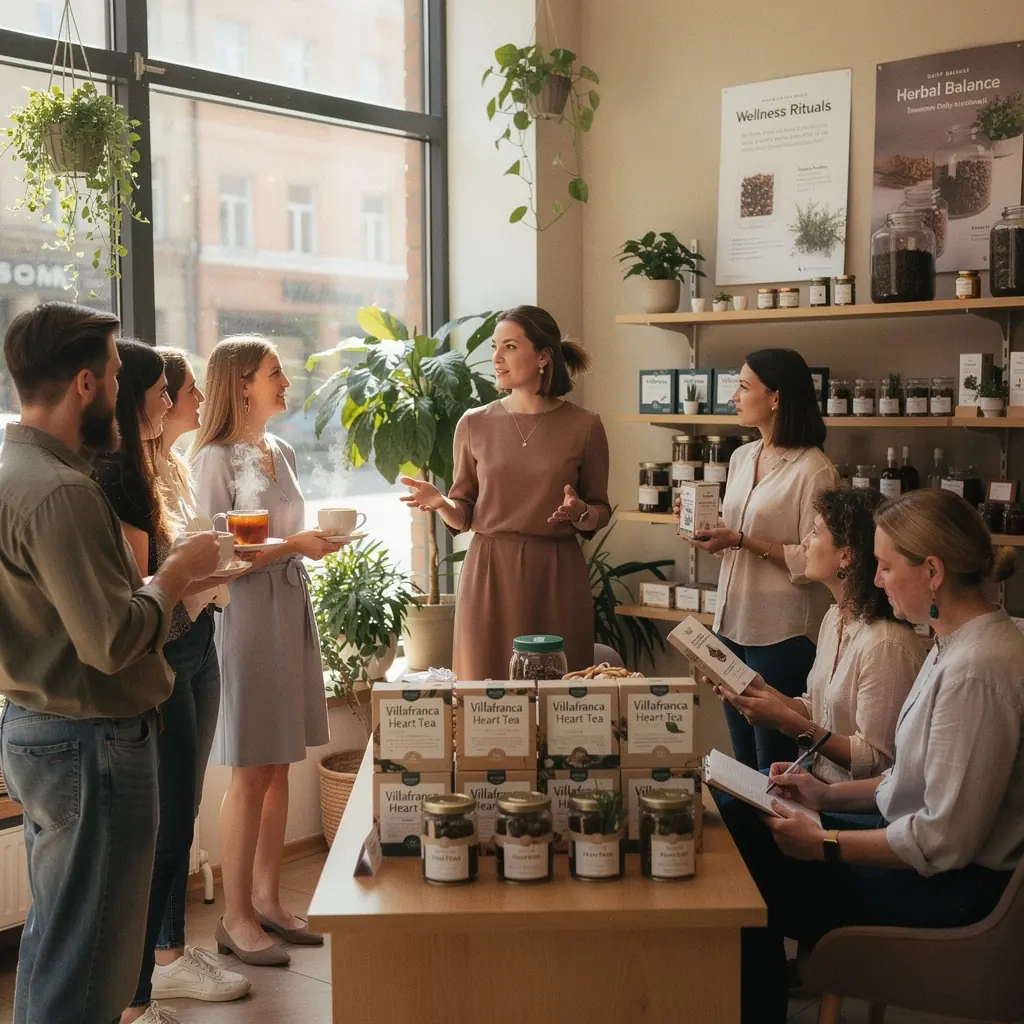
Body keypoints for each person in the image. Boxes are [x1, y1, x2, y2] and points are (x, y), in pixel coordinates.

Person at [721, 488, 1023, 1024]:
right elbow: (908, 779)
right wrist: (824, 793)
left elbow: (941, 839)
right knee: (740, 814)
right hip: (930, 868)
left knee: (745, 861)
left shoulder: (977, 669)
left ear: (932, 571)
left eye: (885, 567)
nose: (877, 580)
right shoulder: (951, 644)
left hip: (955, 894)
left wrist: (826, 843)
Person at [0, 303, 220, 1024]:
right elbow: (113, 639)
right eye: (121, 374)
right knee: (93, 965)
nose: (131, 396)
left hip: (44, 727)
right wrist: (179, 573)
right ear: (87, 385)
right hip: (90, 738)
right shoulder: (62, 491)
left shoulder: (16, 470)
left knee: (59, 943)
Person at [92, 342, 250, 1023]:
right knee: (156, 834)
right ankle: (138, 994)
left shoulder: (157, 469)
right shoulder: (115, 477)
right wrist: (191, 570)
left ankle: (156, 974)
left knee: (174, 821)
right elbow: (142, 588)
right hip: (161, 656)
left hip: (191, 640)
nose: (168, 400)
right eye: (158, 389)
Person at [192, 336, 342, 966]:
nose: (286, 383)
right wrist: (293, 547)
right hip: (246, 617)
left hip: (287, 608)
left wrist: (311, 546)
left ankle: (270, 901)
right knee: (251, 769)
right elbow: (211, 556)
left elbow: (282, 536)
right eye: (275, 373)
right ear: (243, 383)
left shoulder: (277, 451)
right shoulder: (214, 460)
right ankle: (235, 918)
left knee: (280, 764)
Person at [400, 305, 611, 680]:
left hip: (557, 575)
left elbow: (599, 510)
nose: (496, 358)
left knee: (559, 701)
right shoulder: (473, 423)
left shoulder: (585, 426)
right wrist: (441, 502)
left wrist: (579, 511)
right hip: (489, 575)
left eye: (509, 347)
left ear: (543, 357)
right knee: (485, 699)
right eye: (495, 347)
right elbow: (463, 512)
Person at [677, 348, 838, 771]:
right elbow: (733, 531)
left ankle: (776, 840)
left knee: (775, 764)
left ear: (776, 398)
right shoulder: (741, 456)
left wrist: (743, 540)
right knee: (743, 761)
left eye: (744, 386)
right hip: (731, 625)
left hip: (780, 634)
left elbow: (813, 560)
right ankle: (746, 839)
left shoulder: (814, 470)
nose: (734, 395)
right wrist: (702, 524)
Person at [713, 486, 925, 783]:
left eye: (814, 532)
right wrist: (759, 689)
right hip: (818, 783)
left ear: (847, 556)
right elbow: (816, 709)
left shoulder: (886, 644)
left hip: (859, 806)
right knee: (721, 785)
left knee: (731, 803)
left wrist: (788, 724)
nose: (805, 542)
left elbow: (877, 763)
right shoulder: (834, 619)